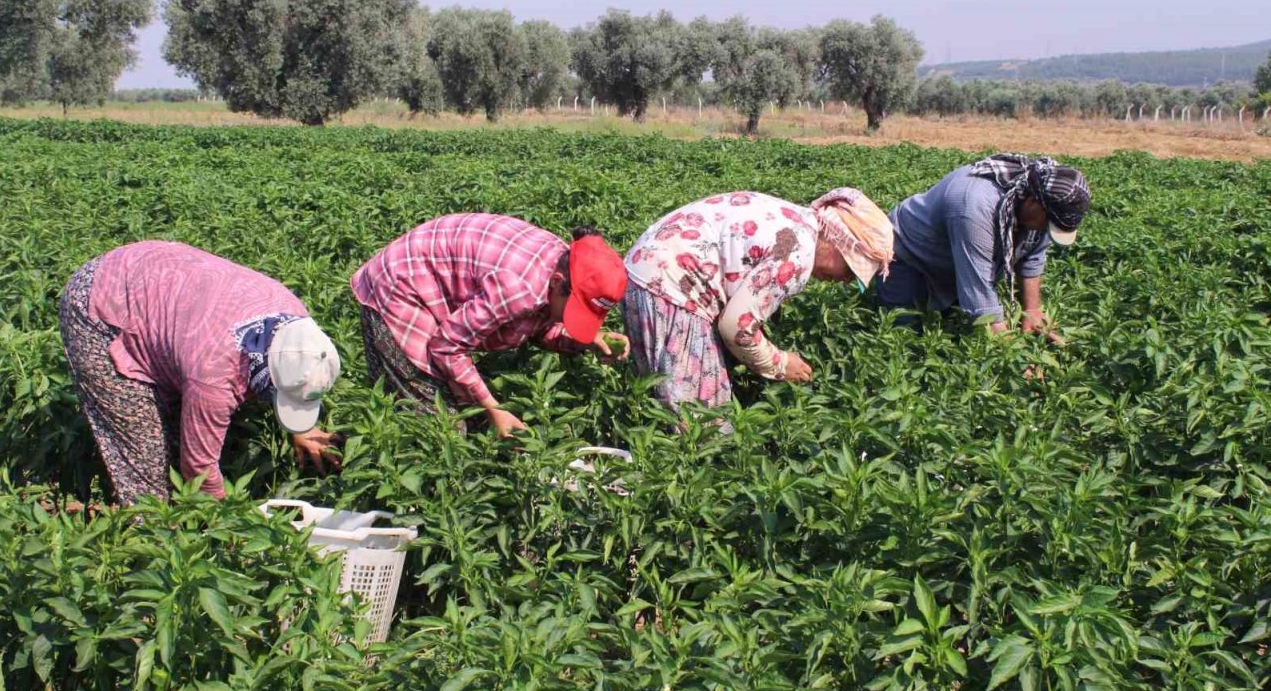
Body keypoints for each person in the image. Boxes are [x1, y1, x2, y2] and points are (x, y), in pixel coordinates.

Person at [58, 241, 343, 504]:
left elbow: (289, 364)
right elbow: (199, 469)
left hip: (161, 274)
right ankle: (151, 537)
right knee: (147, 454)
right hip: (105, 303)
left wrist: (302, 427)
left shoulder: (297, 323)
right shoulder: (214, 376)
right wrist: (229, 525)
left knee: (183, 413)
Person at [621, 188, 893, 419]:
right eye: (849, 270)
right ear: (839, 244)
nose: (846, 280)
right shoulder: (798, 255)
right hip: (673, 288)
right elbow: (736, 328)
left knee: (660, 391)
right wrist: (780, 363)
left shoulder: (797, 219)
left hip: (645, 270)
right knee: (702, 420)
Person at [351, 214, 629, 437]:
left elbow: (536, 325)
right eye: (575, 312)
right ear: (557, 283)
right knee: (439, 425)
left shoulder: (566, 265)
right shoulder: (519, 288)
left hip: (437, 275)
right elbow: (447, 347)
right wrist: (493, 409)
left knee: (464, 410)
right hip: (403, 283)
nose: (573, 320)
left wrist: (588, 338)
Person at [873, 154, 1091, 340]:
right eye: (1047, 223)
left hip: (951, 261)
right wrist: (1017, 361)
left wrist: (1032, 311)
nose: (1045, 229)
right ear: (1033, 201)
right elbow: (979, 297)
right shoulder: (974, 207)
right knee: (903, 335)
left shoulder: (1038, 211)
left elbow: (1033, 256)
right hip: (910, 254)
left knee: (950, 330)